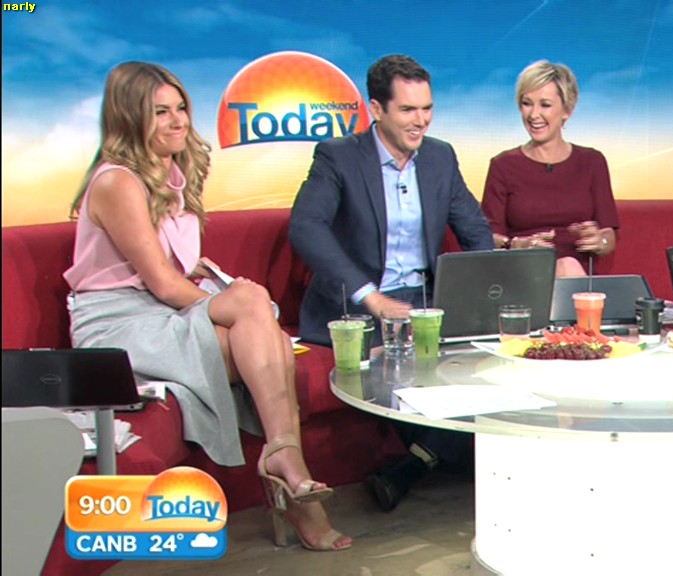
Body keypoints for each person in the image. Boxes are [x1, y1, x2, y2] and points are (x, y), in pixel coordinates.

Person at [64, 62, 350, 552]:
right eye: (160, 112)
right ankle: (290, 476)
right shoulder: (117, 182)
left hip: (161, 313)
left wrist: (222, 294)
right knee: (257, 321)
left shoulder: (172, 174)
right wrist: (239, 307)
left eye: (181, 108)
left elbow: (168, 269)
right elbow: (164, 285)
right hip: (118, 325)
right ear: (128, 117)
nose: (178, 121)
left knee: (257, 335)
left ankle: (286, 464)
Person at [289, 54, 493, 511]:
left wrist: (486, 290)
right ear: (377, 109)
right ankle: (454, 460)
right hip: (361, 305)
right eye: (408, 110)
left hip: (424, 300)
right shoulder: (338, 156)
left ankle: (415, 464)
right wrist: (371, 296)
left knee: (486, 357)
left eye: (427, 108)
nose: (421, 121)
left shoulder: (439, 156)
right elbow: (306, 227)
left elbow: (474, 229)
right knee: (399, 355)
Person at [481, 60, 619, 278]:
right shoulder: (503, 166)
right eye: (527, 103)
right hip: (522, 273)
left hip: (578, 274)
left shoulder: (592, 162)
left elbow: (608, 235)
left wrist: (598, 241)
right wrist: (515, 245)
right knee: (565, 268)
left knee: (568, 266)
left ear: (567, 110)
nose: (533, 115)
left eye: (545, 105)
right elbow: (488, 238)